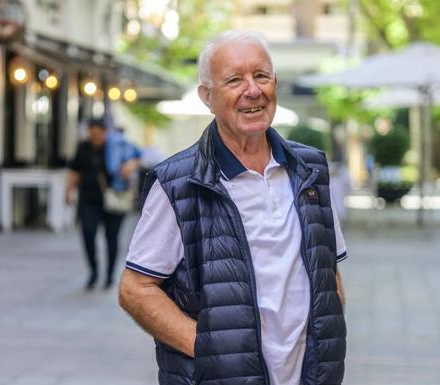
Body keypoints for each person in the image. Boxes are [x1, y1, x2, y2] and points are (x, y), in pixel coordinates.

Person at [119, 30, 347, 385]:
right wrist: (210, 351)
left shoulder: (310, 170)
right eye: (234, 80)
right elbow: (136, 289)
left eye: (261, 75)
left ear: (275, 83)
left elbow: (328, 271)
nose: (252, 90)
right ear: (207, 97)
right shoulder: (177, 183)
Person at [65, 118, 140, 290]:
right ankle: (93, 271)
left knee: (111, 238)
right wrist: (68, 191)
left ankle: (110, 275)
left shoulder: (117, 146)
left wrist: (130, 165)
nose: (95, 137)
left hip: (115, 199)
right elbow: (75, 170)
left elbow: (137, 157)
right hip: (89, 199)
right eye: (92, 134)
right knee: (88, 232)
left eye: (99, 134)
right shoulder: (83, 147)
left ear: (106, 132)